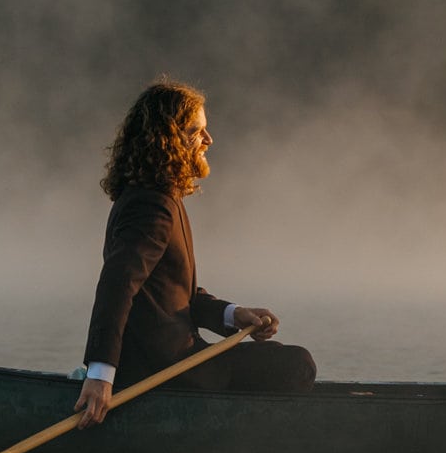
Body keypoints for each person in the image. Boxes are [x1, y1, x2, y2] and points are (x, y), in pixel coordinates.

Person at [75, 78, 315, 428]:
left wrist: (234, 315)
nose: (208, 140)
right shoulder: (152, 206)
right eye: (196, 130)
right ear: (167, 138)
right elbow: (117, 287)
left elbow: (172, 296)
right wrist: (100, 375)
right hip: (165, 368)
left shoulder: (160, 198)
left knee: (283, 360)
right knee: (297, 365)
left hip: (176, 359)